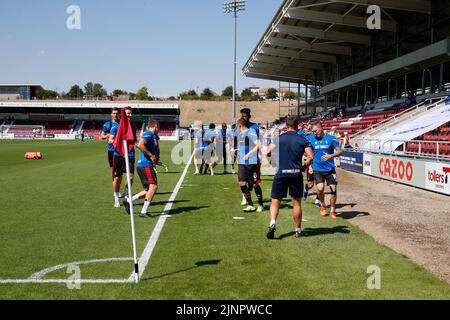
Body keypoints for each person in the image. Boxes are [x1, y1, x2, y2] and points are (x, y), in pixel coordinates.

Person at [265, 116, 314, 239]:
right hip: (295, 174)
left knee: (275, 201)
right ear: (297, 126)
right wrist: (303, 168)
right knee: (296, 203)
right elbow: (311, 157)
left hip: (281, 173)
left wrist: (273, 163)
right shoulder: (303, 139)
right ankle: (297, 230)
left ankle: (272, 224)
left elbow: (267, 152)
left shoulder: (278, 138)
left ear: (286, 126)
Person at [123, 120, 160, 218]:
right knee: (153, 187)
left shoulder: (153, 136)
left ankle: (129, 200)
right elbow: (140, 145)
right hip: (145, 165)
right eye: (158, 127)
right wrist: (151, 155)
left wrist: (156, 161)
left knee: (149, 189)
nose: (159, 129)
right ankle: (143, 212)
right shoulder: (148, 134)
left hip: (145, 165)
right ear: (155, 126)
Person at [309, 123, 343, 219]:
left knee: (333, 189)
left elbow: (340, 151)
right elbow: (308, 153)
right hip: (317, 168)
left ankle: (332, 210)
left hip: (330, 169)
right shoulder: (311, 138)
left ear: (321, 129)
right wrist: (310, 165)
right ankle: (323, 205)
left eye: (315, 131)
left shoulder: (331, 138)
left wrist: (331, 155)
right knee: (320, 188)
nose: (314, 133)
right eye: (313, 132)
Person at [109, 107, 137, 208]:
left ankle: (126, 192)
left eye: (131, 113)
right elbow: (110, 140)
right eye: (128, 114)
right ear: (123, 115)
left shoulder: (133, 126)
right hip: (118, 154)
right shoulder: (116, 127)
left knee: (130, 176)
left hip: (130, 153)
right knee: (118, 178)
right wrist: (120, 143)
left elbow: (135, 140)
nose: (130, 115)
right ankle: (116, 197)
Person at [240, 108, 264, 210]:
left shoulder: (254, 128)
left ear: (249, 116)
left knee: (254, 184)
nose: (243, 117)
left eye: (245, 116)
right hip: (242, 160)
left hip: (253, 159)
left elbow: (258, 143)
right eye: (242, 116)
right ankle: (249, 203)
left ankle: (261, 204)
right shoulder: (239, 126)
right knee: (242, 182)